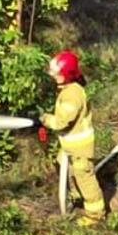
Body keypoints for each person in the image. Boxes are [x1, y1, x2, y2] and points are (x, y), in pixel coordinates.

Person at [40, 49, 106, 225]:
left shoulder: (72, 94)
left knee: (85, 177)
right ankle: (76, 196)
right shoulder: (67, 89)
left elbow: (62, 122)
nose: (52, 75)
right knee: (64, 164)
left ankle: (95, 213)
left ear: (65, 75)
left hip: (80, 147)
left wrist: (45, 119)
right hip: (70, 145)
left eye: (56, 73)